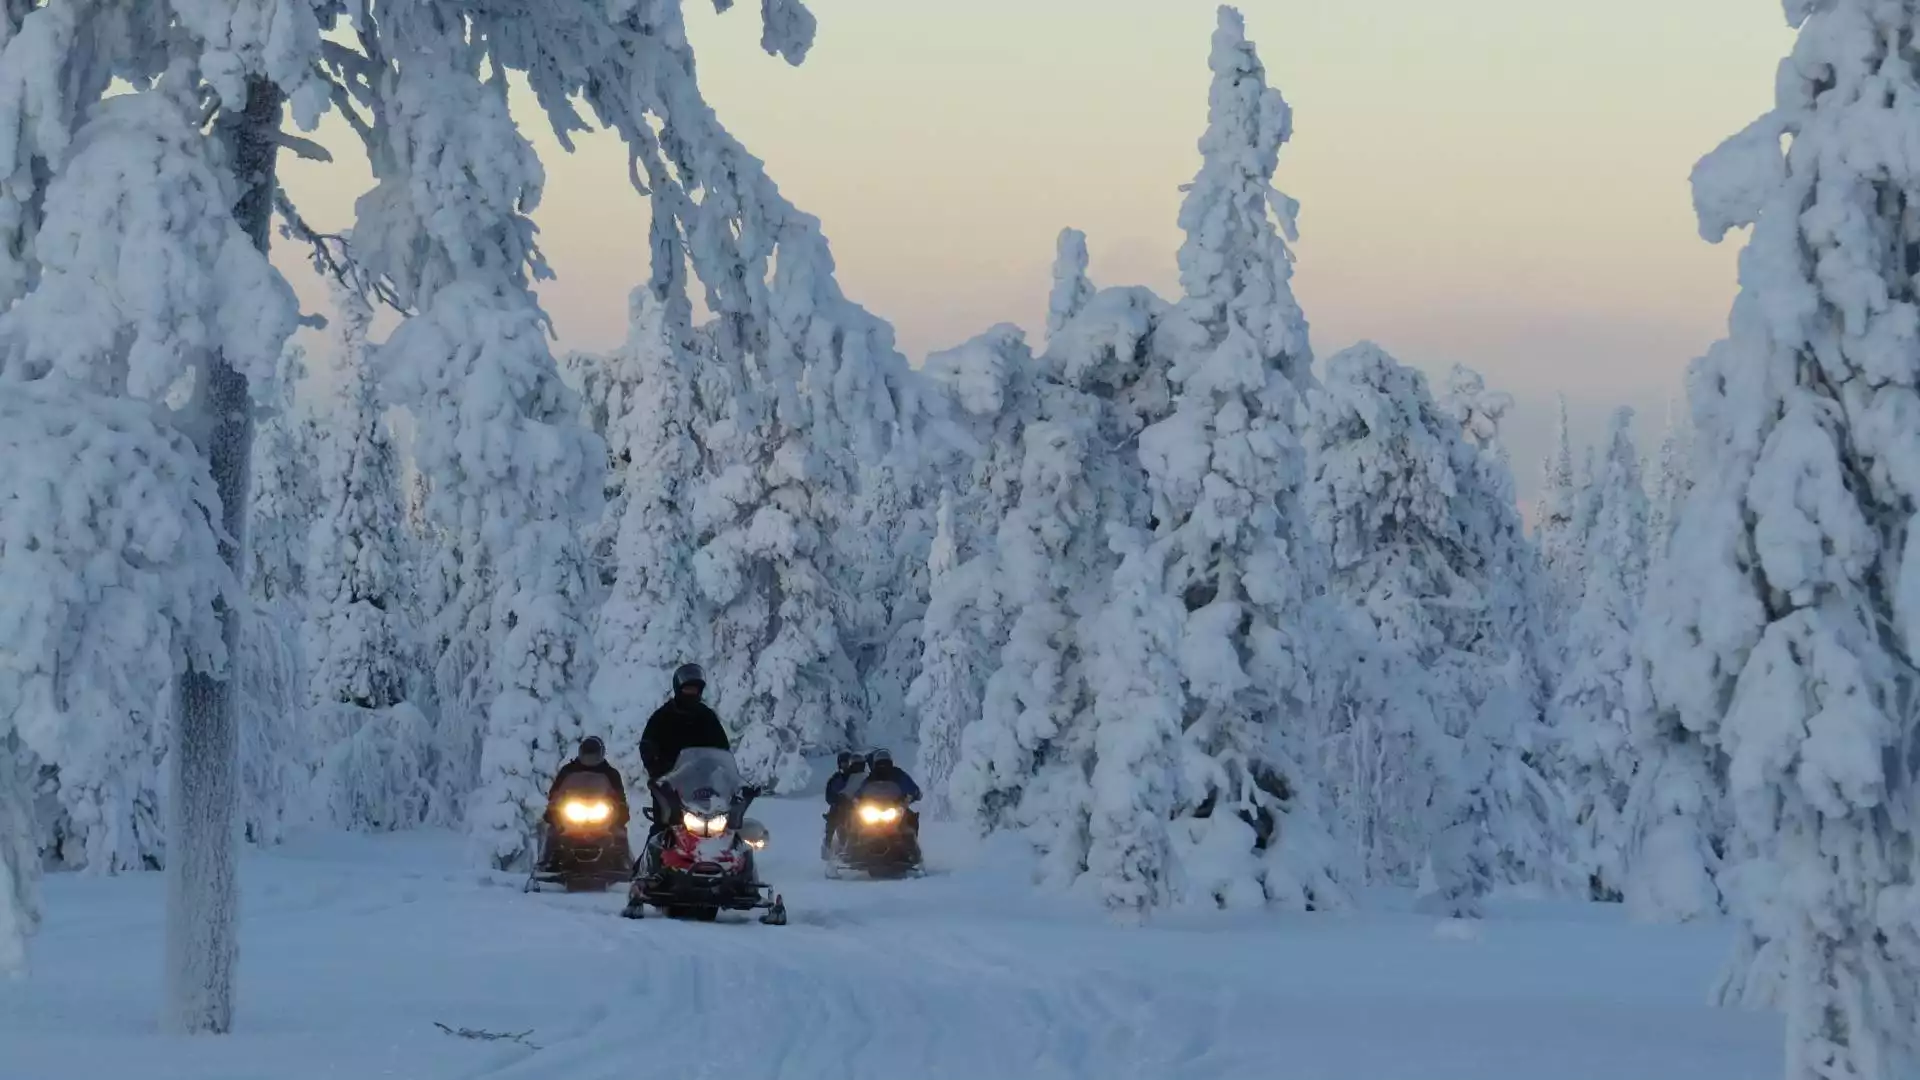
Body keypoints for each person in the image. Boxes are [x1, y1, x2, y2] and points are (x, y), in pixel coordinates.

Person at [638, 663, 731, 845]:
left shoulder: (707, 717)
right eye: (687, 689)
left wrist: (724, 773)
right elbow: (647, 745)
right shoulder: (662, 717)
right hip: (669, 785)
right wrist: (657, 768)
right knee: (661, 829)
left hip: (703, 785)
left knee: (722, 827)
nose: (691, 693)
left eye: (694, 689)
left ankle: (732, 865)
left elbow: (723, 749)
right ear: (678, 689)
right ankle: (644, 869)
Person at [539, 737, 627, 870]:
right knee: (554, 831)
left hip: (602, 813)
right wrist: (553, 808)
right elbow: (555, 792)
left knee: (619, 832)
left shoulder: (610, 773)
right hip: (572, 813)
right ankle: (547, 863)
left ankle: (624, 862)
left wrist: (621, 810)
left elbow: (619, 796)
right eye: (587, 755)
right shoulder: (568, 771)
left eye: (593, 756)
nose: (589, 759)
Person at [821, 750, 868, 859]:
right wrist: (838, 798)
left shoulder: (860, 776)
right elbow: (830, 793)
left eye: (847, 762)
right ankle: (829, 843)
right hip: (843, 806)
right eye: (843, 763)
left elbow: (869, 787)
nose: (845, 765)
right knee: (835, 816)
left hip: (861, 805)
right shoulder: (837, 778)